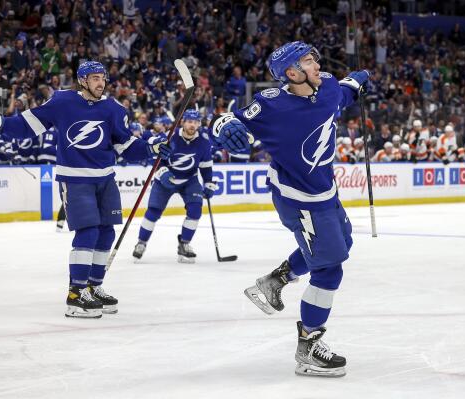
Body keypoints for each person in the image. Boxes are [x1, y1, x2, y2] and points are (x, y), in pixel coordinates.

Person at [210, 41, 369, 377]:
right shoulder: (272, 106)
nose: (317, 64)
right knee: (329, 270)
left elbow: (344, 92)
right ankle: (308, 346)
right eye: (309, 61)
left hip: (325, 192)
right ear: (292, 73)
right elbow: (228, 122)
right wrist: (225, 127)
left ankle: (275, 281)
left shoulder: (325, 86)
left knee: (344, 243)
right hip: (299, 200)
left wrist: (358, 82)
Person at [0, 61, 169, 318]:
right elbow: (28, 125)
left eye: (103, 78)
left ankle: (93, 286)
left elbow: (125, 145)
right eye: (94, 78)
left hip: (105, 179)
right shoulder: (62, 102)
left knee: (106, 233)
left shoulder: (113, 109)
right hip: (75, 180)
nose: (101, 82)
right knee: (87, 232)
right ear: (82, 81)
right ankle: (76, 294)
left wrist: (150, 147)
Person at [132, 109, 216, 264]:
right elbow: (155, 156)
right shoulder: (169, 136)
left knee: (195, 211)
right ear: (183, 122)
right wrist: (162, 172)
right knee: (153, 212)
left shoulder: (204, 142)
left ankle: (184, 244)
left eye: (196, 122)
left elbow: (206, 165)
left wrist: (209, 183)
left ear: (199, 124)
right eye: (190, 121)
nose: (192, 125)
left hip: (189, 180)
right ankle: (141, 243)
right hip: (165, 180)